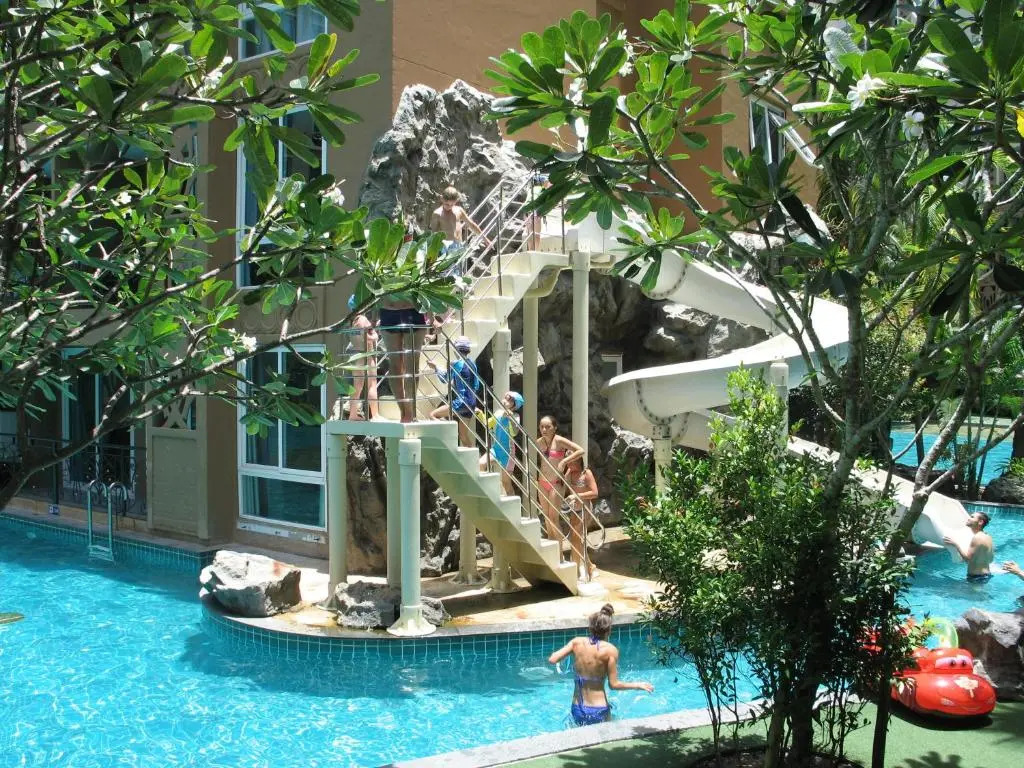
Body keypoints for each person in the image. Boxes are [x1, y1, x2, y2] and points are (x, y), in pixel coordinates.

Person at [547, 604, 653, 726]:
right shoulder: (610, 650)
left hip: (577, 707)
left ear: (590, 628)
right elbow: (614, 685)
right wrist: (637, 685)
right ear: (609, 630)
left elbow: (553, 659)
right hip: (599, 709)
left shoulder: (576, 643)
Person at [537, 415, 584, 547]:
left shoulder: (559, 440)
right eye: (542, 426)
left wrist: (564, 461)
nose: (544, 429)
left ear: (555, 427)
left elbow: (580, 450)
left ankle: (559, 553)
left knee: (554, 518)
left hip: (556, 483)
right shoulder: (539, 442)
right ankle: (552, 549)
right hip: (542, 482)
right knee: (546, 517)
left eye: (548, 427)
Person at [378, 297, 427, 423]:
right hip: (400, 310)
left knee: (404, 365)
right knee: (403, 365)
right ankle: (406, 412)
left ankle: (407, 412)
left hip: (401, 310)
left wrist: (373, 317)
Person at [426, 336, 480, 447]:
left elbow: (445, 378)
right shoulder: (473, 364)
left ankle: (449, 432)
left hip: (462, 401)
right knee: (463, 436)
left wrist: (435, 367)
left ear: (456, 349)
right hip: (472, 402)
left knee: (432, 415)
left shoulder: (456, 364)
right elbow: (476, 385)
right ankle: (474, 458)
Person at [477, 391, 524, 496]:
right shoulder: (498, 413)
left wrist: (511, 419)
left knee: (506, 482)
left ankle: (512, 504)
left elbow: (514, 433)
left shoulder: (515, 416)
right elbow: (488, 424)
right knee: (481, 464)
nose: (505, 401)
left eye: (510, 400)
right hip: (496, 448)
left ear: (514, 405)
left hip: (508, 453)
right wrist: (480, 414)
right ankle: (489, 491)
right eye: (506, 398)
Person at [563, 456, 599, 582]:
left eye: (570, 462)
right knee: (576, 539)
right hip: (574, 509)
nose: (568, 464)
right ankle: (589, 566)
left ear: (577, 461)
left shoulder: (586, 473)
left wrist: (577, 495)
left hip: (585, 508)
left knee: (576, 538)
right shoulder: (569, 472)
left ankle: (577, 571)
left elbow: (595, 493)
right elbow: (563, 486)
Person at [345, 295, 378, 421]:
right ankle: (375, 415)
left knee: (357, 387)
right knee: (372, 384)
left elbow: (357, 336)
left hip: (356, 354)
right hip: (366, 354)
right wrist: (374, 335)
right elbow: (368, 337)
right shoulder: (363, 319)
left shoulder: (352, 321)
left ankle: (353, 415)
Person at [943, 511, 994, 581]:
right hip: (986, 575)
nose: (968, 518)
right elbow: (991, 559)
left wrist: (956, 544)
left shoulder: (977, 538)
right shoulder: (988, 537)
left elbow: (968, 560)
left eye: (972, 517)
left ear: (980, 522)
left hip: (976, 577)